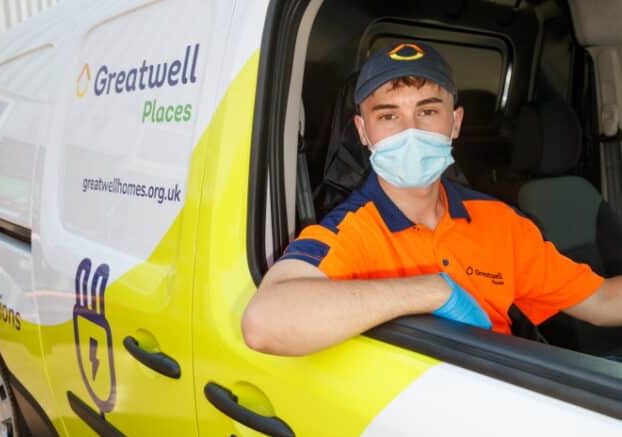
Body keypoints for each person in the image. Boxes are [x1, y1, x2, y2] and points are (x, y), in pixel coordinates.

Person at [241, 41, 622, 356]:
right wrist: (433, 290)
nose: (411, 131)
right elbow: (264, 323)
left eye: (427, 111)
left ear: (455, 122)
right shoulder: (350, 232)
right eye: (388, 116)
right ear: (362, 131)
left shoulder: (499, 222)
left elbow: (602, 301)